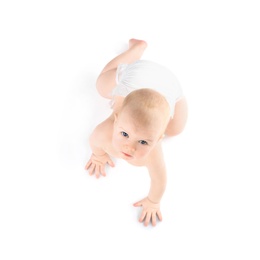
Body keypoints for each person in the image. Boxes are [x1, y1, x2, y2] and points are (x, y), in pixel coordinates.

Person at [85, 39, 188, 227]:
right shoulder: (103, 132)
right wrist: (98, 156)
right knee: (101, 85)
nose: (130, 147)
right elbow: (95, 143)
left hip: (167, 84)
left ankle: (177, 97)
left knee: (177, 129)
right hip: (137, 74)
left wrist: (154, 201)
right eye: (124, 134)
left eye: (143, 142)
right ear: (116, 120)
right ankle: (136, 49)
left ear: (158, 139)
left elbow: (159, 180)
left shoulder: (154, 154)